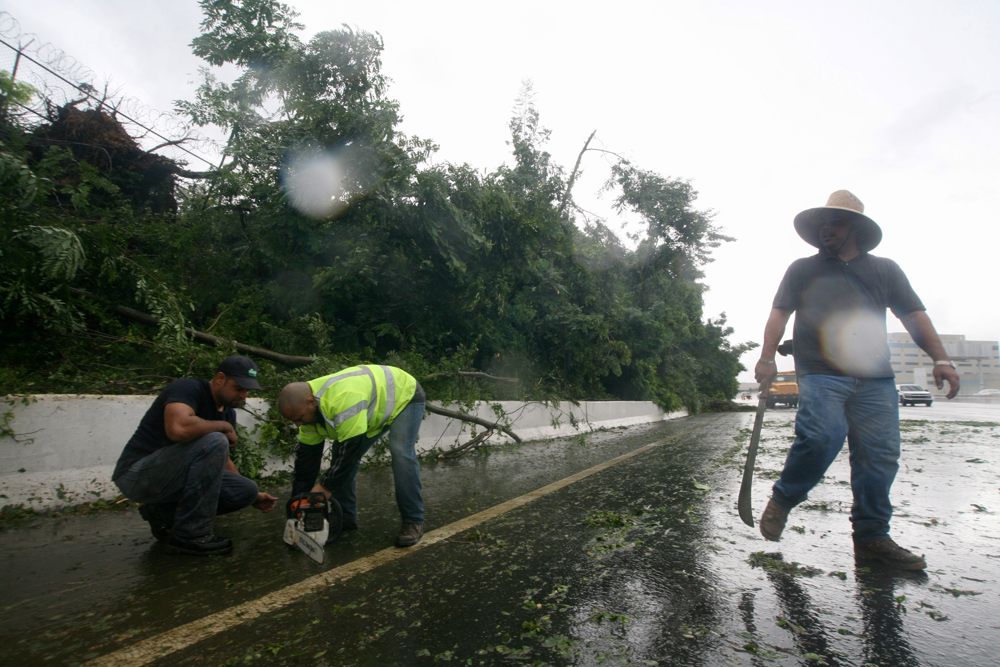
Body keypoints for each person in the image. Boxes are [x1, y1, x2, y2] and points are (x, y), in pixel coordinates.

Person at [755, 190, 959, 571]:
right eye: (822, 224)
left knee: (879, 457)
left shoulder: (885, 270)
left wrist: (941, 358)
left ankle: (871, 538)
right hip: (820, 371)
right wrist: (767, 358)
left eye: (834, 223)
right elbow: (778, 315)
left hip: (876, 379)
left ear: (855, 229)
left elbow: (913, 316)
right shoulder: (803, 269)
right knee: (821, 435)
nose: (825, 230)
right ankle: (784, 497)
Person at [113, 355, 278, 555]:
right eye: (239, 388)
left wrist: (254, 496)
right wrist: (223, 427)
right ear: (219, 379)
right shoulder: (187, 389)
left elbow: (220, 460)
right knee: (216, 439)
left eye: (247, 390)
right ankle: (191, 534)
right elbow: (178, 428)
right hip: (137, 475)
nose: (243, 395)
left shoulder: (227, 413)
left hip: (170, 480)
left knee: (245, 489)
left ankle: (162, 514)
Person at [278, 364, 426, 548]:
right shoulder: (307, 413)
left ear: (310, 402)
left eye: (299, 418)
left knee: (401, 453)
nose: (298, 424)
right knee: (338, 458)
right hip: (374, 409)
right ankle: (346, 519)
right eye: (294, 421)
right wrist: (298, 508)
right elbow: (305, 468)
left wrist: (324, 487)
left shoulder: (343, 400)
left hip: (405, 396)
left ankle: (413, 521)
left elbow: (349, 454)